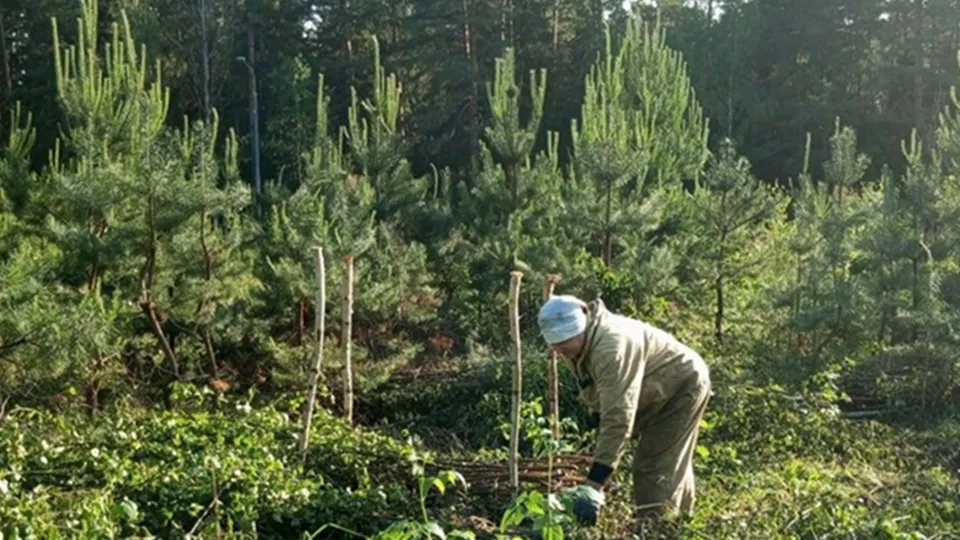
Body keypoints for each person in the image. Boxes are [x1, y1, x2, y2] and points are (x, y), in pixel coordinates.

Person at [537, 294, 711, 529]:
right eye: (554, 343)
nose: (557, 349)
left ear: (581, 326)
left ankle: (657, 529)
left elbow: (618, 417)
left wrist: (594, 484)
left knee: (653, 463)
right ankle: (680, 522)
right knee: (669, 461)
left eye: (563, 341)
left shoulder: (611, 347)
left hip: (679, 387)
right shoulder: (578, 342)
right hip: (654, 389)